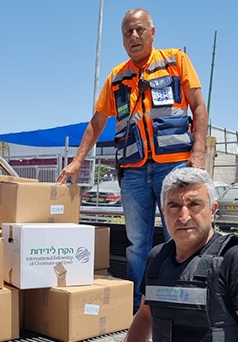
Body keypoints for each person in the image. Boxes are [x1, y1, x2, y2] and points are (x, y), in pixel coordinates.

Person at [56, 8, 208, 310]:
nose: (134, 36)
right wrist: (76, 161)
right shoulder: (117, 78)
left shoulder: (176, 61)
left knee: (177, 236)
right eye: (128, 32)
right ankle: (141, 307)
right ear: (123, 38)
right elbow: (96, 123)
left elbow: (199, 106)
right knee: (137, 244)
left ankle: (178, 301)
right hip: (134, 172)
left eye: (139, 30)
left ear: (152, 33)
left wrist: (198, 154)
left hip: (174, 167)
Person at [96, 167, 238, 342]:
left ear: (212, 209)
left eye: (194, 204)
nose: (184, 216)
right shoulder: (157, 258)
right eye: (173, 206)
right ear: (164, 212)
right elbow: (146, 316)